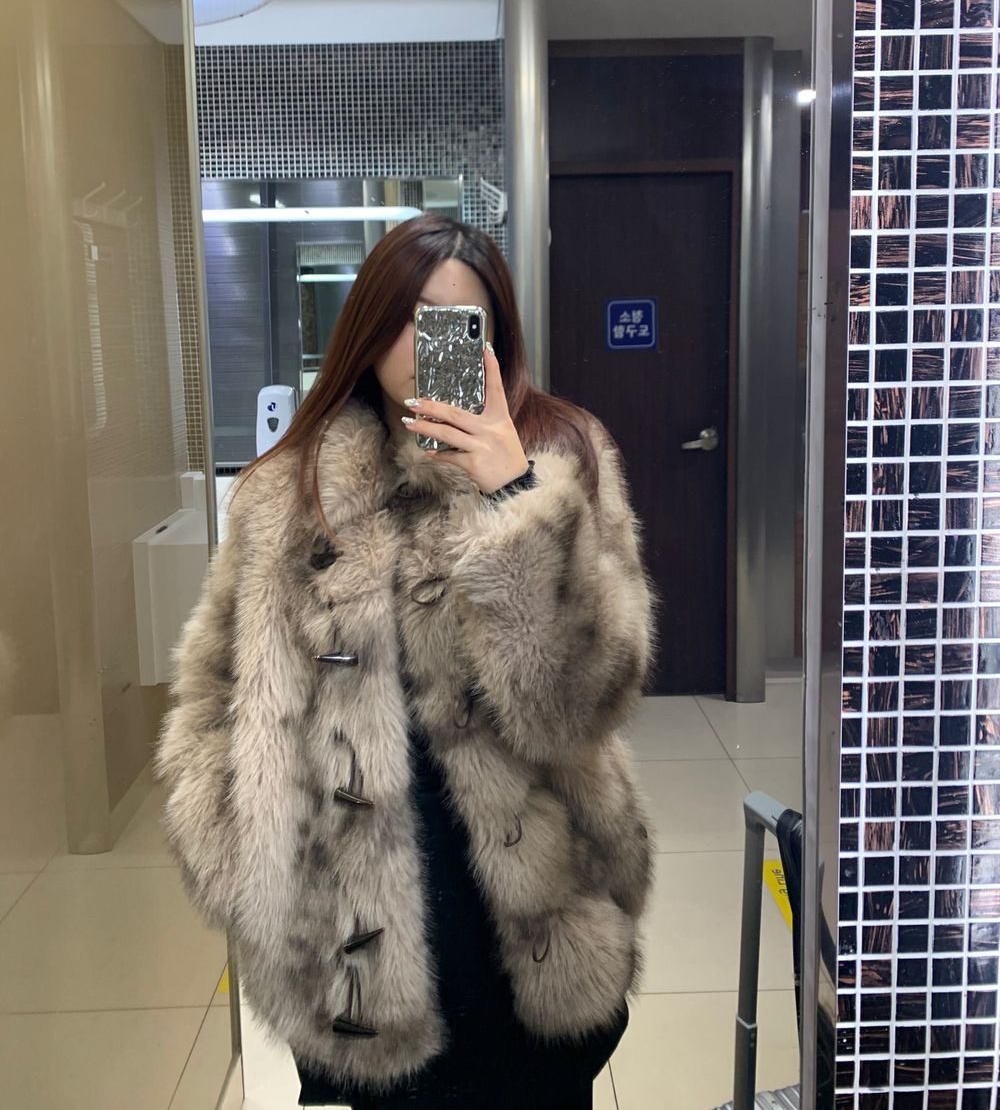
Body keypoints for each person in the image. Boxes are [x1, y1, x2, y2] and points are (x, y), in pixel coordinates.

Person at [153, 213, 660, 1110]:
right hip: (354, 933)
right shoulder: (287, 490)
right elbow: (214, 695)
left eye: (459, 324)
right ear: (368, 326)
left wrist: (513, 498)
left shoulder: (563, 455)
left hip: (533, 916)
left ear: (493, 340)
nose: (431, 348)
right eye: (410, 319)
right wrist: (238, 867)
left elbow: (585, 704)